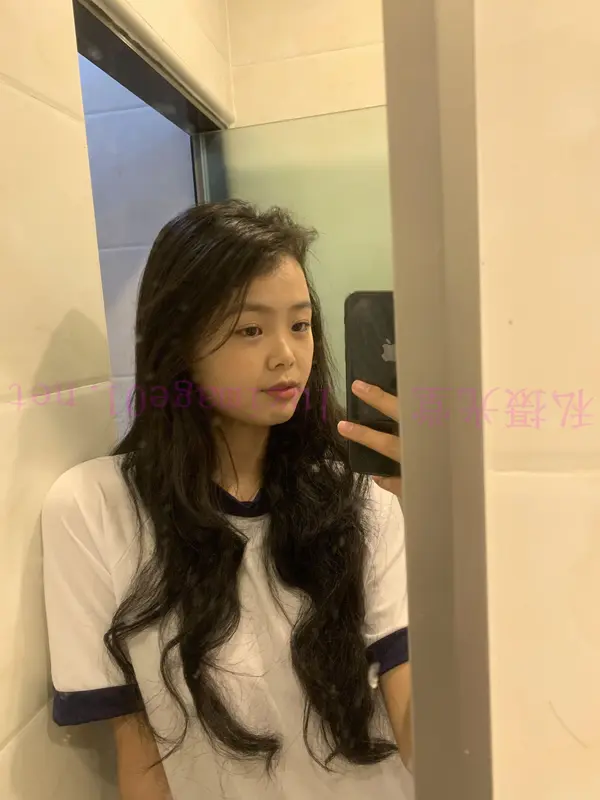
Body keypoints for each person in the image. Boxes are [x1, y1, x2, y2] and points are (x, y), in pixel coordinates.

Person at [41, 200, 411, 800]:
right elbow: (141, 761)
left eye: (300, 324)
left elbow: (423, 733)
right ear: (179, 344)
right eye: (250, 329)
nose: (286, 355)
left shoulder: (364, 498)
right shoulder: (93, 508)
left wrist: (449, 518)